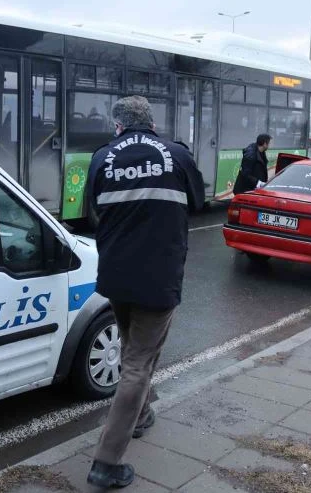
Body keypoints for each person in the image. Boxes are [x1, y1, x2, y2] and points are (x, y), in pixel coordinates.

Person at [85, 96, 205, 488]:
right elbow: (199, 204)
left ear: (118, 126)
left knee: (132, 347)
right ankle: (105, 462)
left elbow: (93, 211)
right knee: (138, 362)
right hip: (159, 279)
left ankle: (139, 414)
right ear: (151, 123)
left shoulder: (103, 156)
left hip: (117, 277)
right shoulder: (177, 155)